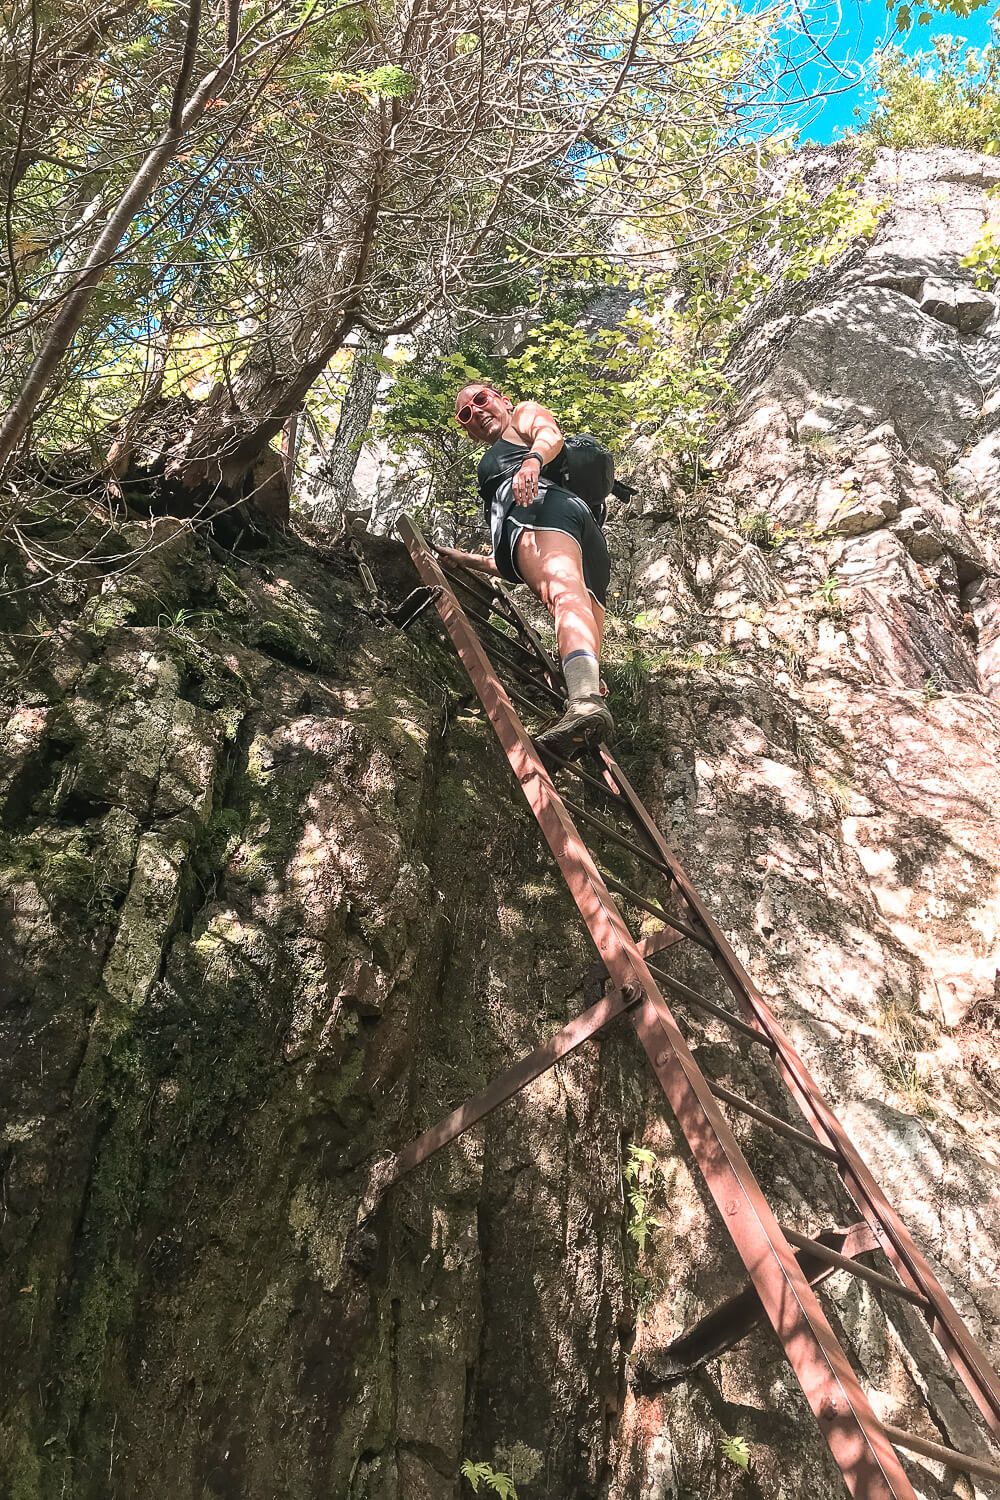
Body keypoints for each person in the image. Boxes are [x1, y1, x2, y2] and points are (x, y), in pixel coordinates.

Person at [435, 383, 614, 755]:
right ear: (467, 430)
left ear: (502, 398)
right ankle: (588, 693)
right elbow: (512, 561)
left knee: (564, 597)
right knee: (573, 600)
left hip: (543, 512)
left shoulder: (521, 419)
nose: (476, 411)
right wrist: (465, 560)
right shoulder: (517, 480)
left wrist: (532, 461)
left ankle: (583, 702)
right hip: (582, 533)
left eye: (481, 399)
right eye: (466, 413)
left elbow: (550, 433)